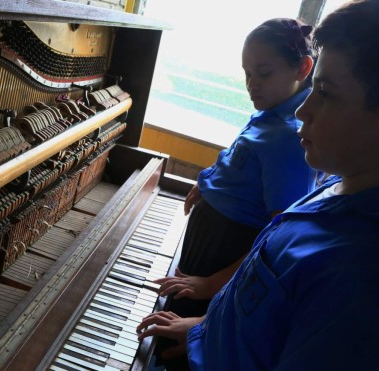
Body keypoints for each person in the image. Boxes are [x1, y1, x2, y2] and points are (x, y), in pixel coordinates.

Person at [137, 0, 379, 369]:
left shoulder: (369, 277)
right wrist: (204, 329)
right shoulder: (337, 188)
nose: (302, 111)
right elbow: (259, 308)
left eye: (326, 93)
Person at [151, 17, 317, 369]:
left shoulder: (290, 138)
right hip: (208, 252)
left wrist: (211, 284)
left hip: (223, 262)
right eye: (247, 73)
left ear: (303, 68)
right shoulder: (270, 114)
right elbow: (244, 169)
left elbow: (278, 238)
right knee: (167, 330)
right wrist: (208, 183)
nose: (251, 85)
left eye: (264, 73)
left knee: (179, 351)